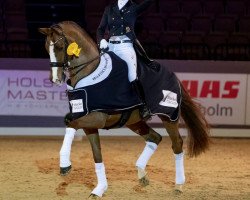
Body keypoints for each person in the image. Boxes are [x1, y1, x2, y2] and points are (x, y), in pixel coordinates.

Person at [96, 0, 155, 120]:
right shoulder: (109, 8)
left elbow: (148, 3)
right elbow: (101, 29)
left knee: (132, 75)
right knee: (100, 72)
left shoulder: (134, 8)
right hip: (111, 46)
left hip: (126, 46)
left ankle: (143, 107)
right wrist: (101, 40)